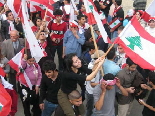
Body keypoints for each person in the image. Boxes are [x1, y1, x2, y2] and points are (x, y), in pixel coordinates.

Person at [18, 51, 42, 116]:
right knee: (26, 103)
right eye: (30, 61)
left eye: (33, 61)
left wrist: (37, 85)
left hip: (34, 86)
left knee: (36, 102)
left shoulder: (36, 65)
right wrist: (24, 59)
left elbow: (40, 76)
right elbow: (22, 66)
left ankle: (36, 113)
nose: (31, 62)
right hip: (25, 87)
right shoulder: (24, 65)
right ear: (27, 60)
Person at [85, 50, 104, 116]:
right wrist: (101, 84)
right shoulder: (93, 68)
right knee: (90, 109)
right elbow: (92, 84)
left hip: (91, 91)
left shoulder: (93, 63)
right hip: (91, 92)